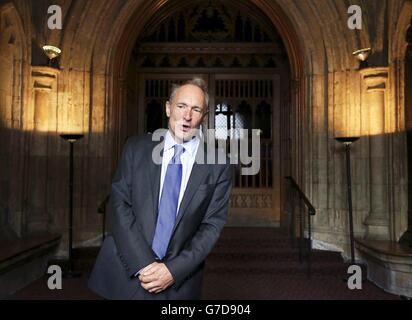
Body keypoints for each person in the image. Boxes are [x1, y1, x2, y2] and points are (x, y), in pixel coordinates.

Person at [88, 78, 232, 299]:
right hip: (125, 272)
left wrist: (172, 271)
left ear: (203, 117)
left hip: (178, 283)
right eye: (181, 106)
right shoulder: (135, 149)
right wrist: (143, 263)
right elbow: (118, 204)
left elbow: (211, 227)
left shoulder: (218, 164)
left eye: (196, 109)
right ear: (168, 108)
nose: (187, 115)